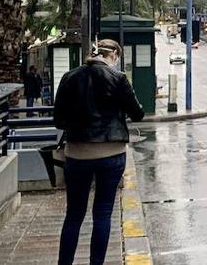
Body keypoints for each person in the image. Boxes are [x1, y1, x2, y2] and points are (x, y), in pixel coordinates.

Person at [54, 39, 145, 265]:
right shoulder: (119, 78)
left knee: (74, 214)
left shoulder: (70, 77)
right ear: (113, 54)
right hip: (111, 154)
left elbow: (59, 120)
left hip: (77, 153)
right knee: (103, 213)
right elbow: (138, 114)